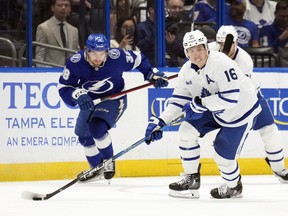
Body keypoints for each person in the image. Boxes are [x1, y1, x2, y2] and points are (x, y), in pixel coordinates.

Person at [144, 29, 261, 199]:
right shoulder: (186, 71)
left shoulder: (222, 63)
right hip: (213, 108)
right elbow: (178, 101)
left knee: (222, 156)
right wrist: (160, 121)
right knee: (186, 131)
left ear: (207, 47)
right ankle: (191, 178)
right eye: (191, 50)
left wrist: (200, 104)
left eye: (199, 48)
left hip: (240, 112)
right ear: (186, 53)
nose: (196, 54)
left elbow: (231, 98)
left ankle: (234, 186)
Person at [58, 34, 168, 183]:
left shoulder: (117, 57)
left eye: (101, 53)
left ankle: (108, 161)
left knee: (96, 127)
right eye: (93, 53)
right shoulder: (75, 62)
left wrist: (151, 74)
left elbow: (139, 59)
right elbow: (64, 87)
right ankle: (96, 168)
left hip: (114, 99)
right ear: (86, 51)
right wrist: (77, 95)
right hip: (90, 101)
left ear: (107, 52)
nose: (97, 57)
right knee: (83, 135)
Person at [210, 25, 288, 183]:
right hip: (223, 103)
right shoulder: (209, 50)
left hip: (249, 100)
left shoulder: (244, 60)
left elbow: (234, 91)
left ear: (237, 42)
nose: (224, 47)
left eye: (228, 44)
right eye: (220, 43)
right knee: (230, 145)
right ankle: (232, 179)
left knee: (270, 131)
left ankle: (279, 168)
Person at [35, 0, 79, 67]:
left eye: (66, 5)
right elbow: (39, 57)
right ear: (52, 8)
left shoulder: (74, 30)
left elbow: (76, 54)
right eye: (59, 5)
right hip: (51, 73)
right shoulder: (43, 28)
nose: (63, 8)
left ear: (70, 9)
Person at [136, 0, 155, 65]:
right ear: (151, 10)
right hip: (149, 62)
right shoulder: (141, 27)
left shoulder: (167, 25)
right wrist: (149, 38)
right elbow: (139, 47)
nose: (164, 10)